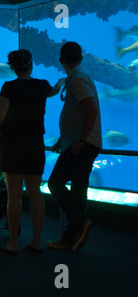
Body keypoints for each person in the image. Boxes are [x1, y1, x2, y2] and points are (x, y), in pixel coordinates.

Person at [0, 49, 65, 255]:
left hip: (13, 145)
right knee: (35, 193)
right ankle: (37, 241)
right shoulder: (41, 85)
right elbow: (53, 91)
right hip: (35, 145)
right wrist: (60, 82)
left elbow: (0, 118)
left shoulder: (9, 87)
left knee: (14, 194)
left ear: (13, 67)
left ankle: (13, 243)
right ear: (31, 65)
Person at [47, 41, 102, 252]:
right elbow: (78, 113)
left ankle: (79, 223)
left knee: (56, 183)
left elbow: (91, 109)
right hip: (76, 142)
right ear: (81, 57)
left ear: (61, 61)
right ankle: (72, 235)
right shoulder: (78, 77)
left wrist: (81, 140)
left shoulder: (78, 79)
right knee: (79, 189)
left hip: (81, 144)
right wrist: (64, 139)